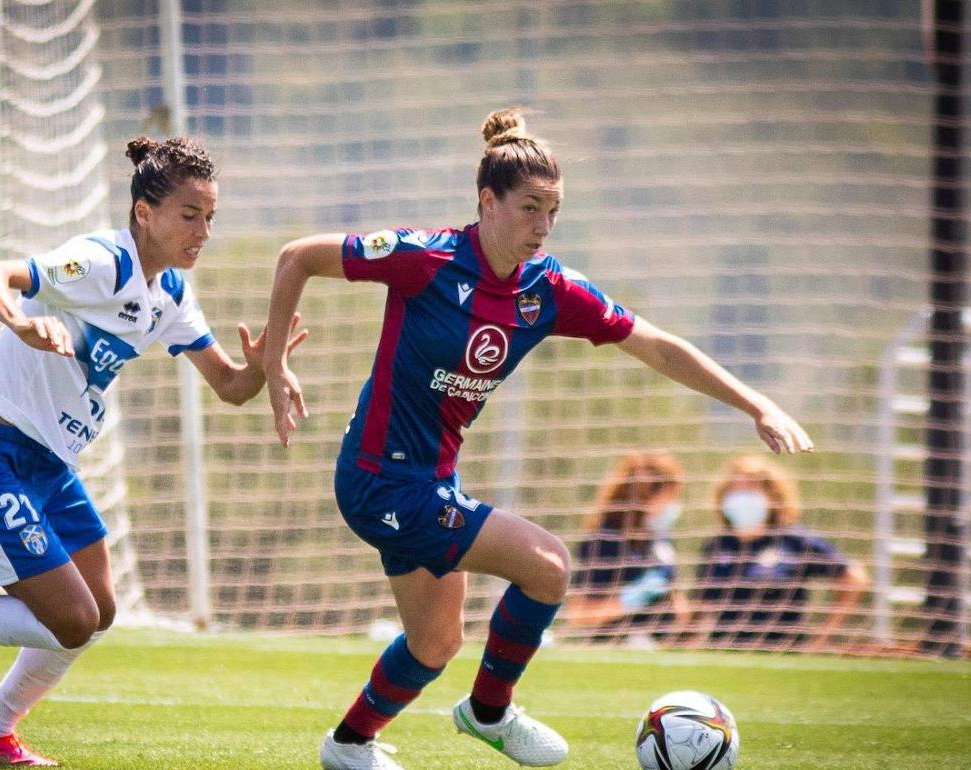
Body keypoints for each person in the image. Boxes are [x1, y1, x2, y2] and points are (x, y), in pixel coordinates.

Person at [261, 107, 813, 770]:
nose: (543, 226)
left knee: (435, 642)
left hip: (430, 481)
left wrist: (755, 404)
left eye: (553, 211)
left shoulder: (547, 289)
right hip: (380, 477)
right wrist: (275, 364)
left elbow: (659, 348)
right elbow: (298, 258)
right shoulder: (427, 258)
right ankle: (489, 712)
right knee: (548, 565)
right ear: (487, 203)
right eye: (530, 208)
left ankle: (348, 747)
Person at [0, 135, 306, 766]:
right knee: (74, 620)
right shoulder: (100, 260)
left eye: (211, 218)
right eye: (190, 216)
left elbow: (227, 385)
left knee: (99, 610)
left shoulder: (168, 295)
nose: (204, 231)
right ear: (145, 212)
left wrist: (265, 367)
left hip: (49, 469)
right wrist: (23, 322)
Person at [694, 454, 868, 651]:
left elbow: (853, 578)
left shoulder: (794, 540)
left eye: (750, 489)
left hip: (782, 652)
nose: (741, 497)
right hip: (724, 653)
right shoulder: (716, 545)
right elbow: (702, 606)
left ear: (772, 495)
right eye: (734, 490)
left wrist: (822, 637)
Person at [566, 452, 690, 646]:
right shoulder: (604, 542)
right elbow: (580, 614)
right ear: (645, 495)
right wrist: (630, 599)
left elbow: (677, 604)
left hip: (661, 649)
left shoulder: (660, 540)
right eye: (670, 496)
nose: (673, 505)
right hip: (615, 649)